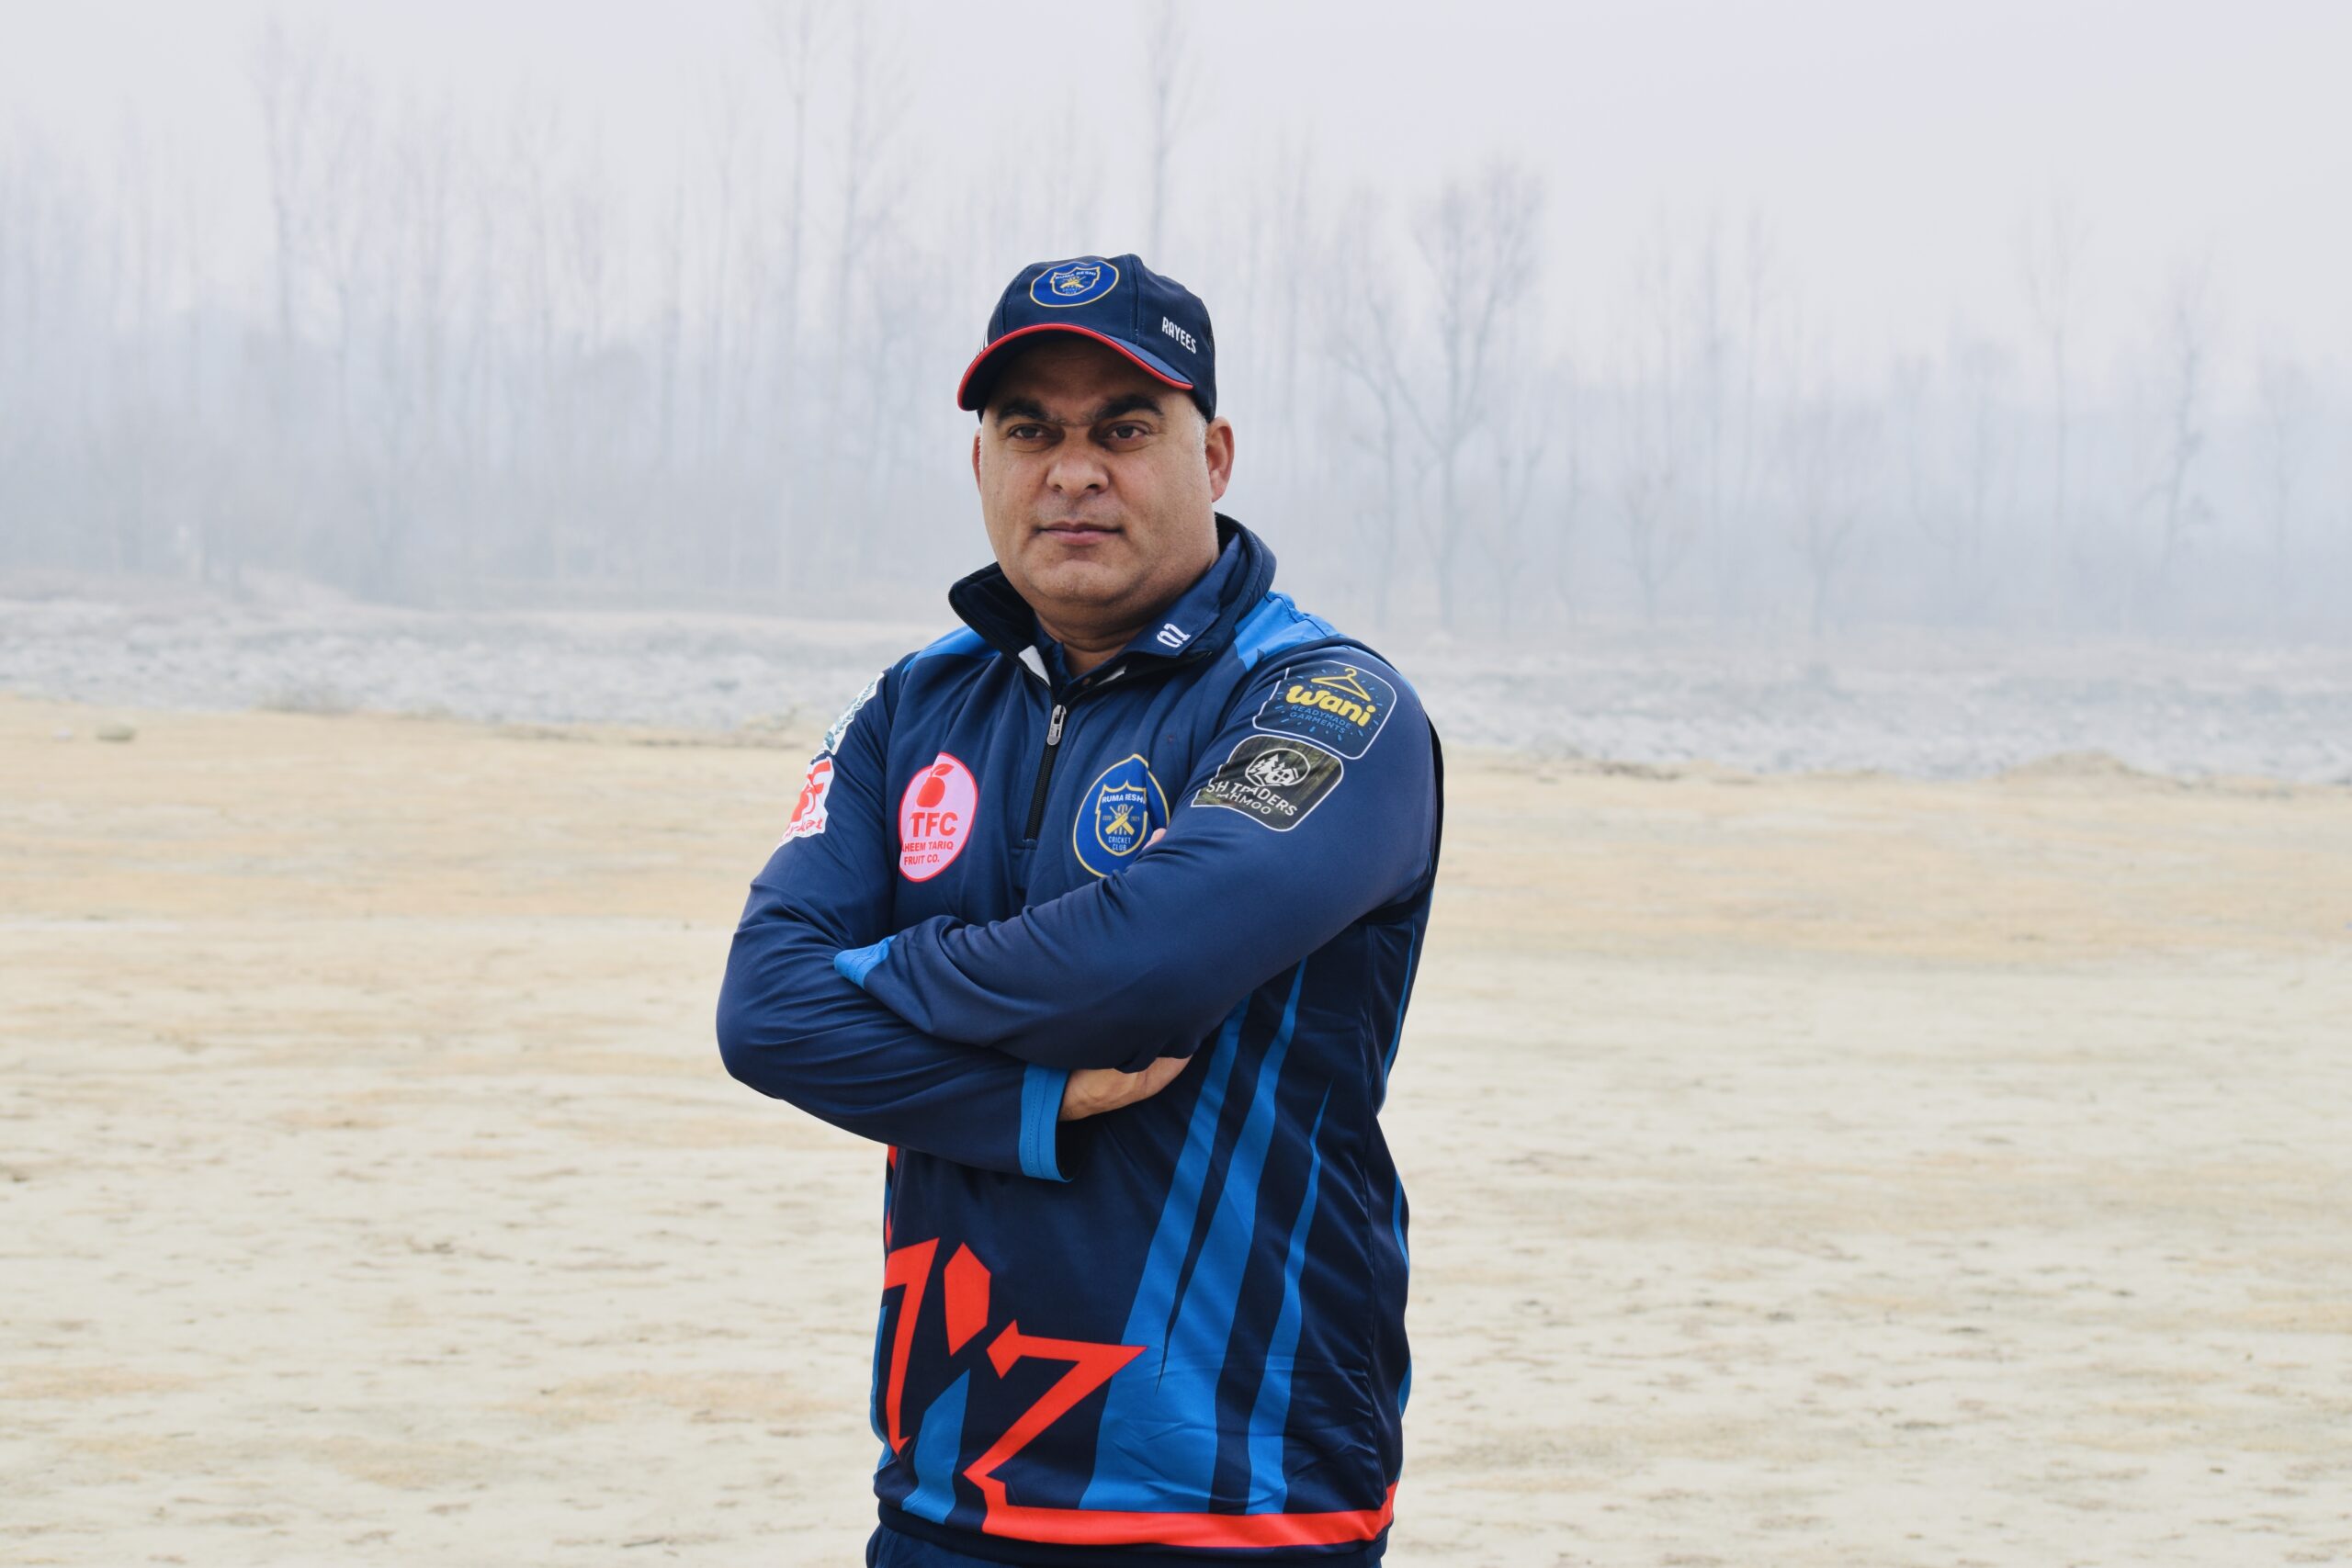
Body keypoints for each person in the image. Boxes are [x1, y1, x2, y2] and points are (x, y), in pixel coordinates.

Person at [717, 253, 1442, 1568]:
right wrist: (1028, 1102)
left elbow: (1138, 974)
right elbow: (765, 1013)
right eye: (1029, 431)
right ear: (980, 464)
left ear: (1213, 456)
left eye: (1123, 429)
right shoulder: (914, 705)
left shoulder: (1329, 705)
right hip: (950, 1489)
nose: (1072, 472)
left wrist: (877, 967)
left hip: (1241, 1496)